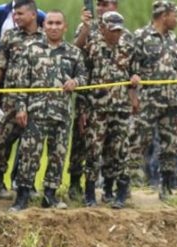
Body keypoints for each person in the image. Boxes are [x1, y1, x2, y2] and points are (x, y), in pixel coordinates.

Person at [9, 10, 81, 211]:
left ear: (65, 27)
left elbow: (84, 76)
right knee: (29, 155)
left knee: (58, 155)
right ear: (43, 26)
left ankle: (50, 195)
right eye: (50, 23)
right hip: (36, 112)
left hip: (62, 114)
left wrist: (75, 81)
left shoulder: (73, 53)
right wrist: (21, 108)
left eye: (58, 23)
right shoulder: (31, 50)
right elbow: (21, 83)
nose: (54, 27)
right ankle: (22, 196)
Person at [128, 0, 177, 200]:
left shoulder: (173, 38)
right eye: (175, 15)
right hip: (148, 100)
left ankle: (167, 188)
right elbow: (131, 70)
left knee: (170, 144)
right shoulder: (140, 36)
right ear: (164, 16)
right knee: (138, 141)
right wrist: (133, 97)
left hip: (172, 101)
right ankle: (123, 186)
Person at [81, 10, 135, 208]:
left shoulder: (128, 46)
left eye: (119, 31)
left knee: (119, 150)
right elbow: (83, 75)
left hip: (120, 107)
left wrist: (135, 79)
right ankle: (89, 192)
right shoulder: (92, 45)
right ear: (102, 28)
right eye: (112, 30)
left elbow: (135, 70)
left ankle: (117, 192)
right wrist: (83, 109)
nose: (116, 34)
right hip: (98, 108)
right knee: (94, 151)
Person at [0, 0, 41, 200]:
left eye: (20, 14)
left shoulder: (45, 38)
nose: (16, 17)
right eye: (14, 14)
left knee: (32, 144)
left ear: (33, 15)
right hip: (11, 99)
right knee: (3, 141)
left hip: (36, 101)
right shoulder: (9, 37)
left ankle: (26, 184)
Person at [69, 0, 119, 201]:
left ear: (115, 6)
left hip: (113, 100)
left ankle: (109, 187)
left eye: (105, 4)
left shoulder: (119, 31)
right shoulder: (85, 27)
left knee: (109, 145)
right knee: (81, 141)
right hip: (87, 96)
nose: (100, 8)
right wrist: (86, 28)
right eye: (98, 4)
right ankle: (75, 183)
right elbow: (74, 51)